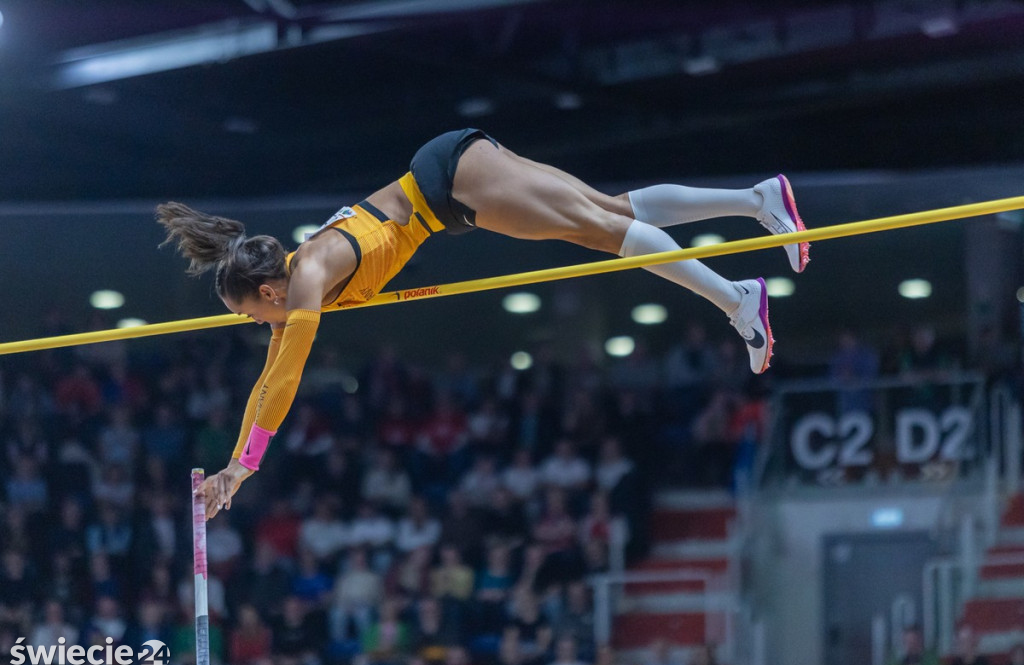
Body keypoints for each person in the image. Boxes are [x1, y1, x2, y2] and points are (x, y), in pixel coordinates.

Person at [159, 128, 808, 515]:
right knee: (606, 211)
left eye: (250, 312)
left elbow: (288, 379)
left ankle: (735, 298)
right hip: (451, 177)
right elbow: (267, 384)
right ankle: (757, 201)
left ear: (267, 288)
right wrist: (234, 472)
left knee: (605, 231)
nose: (257, 323)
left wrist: (245, 465)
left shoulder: (309, 277)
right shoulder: (299, 284)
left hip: (451, 183)